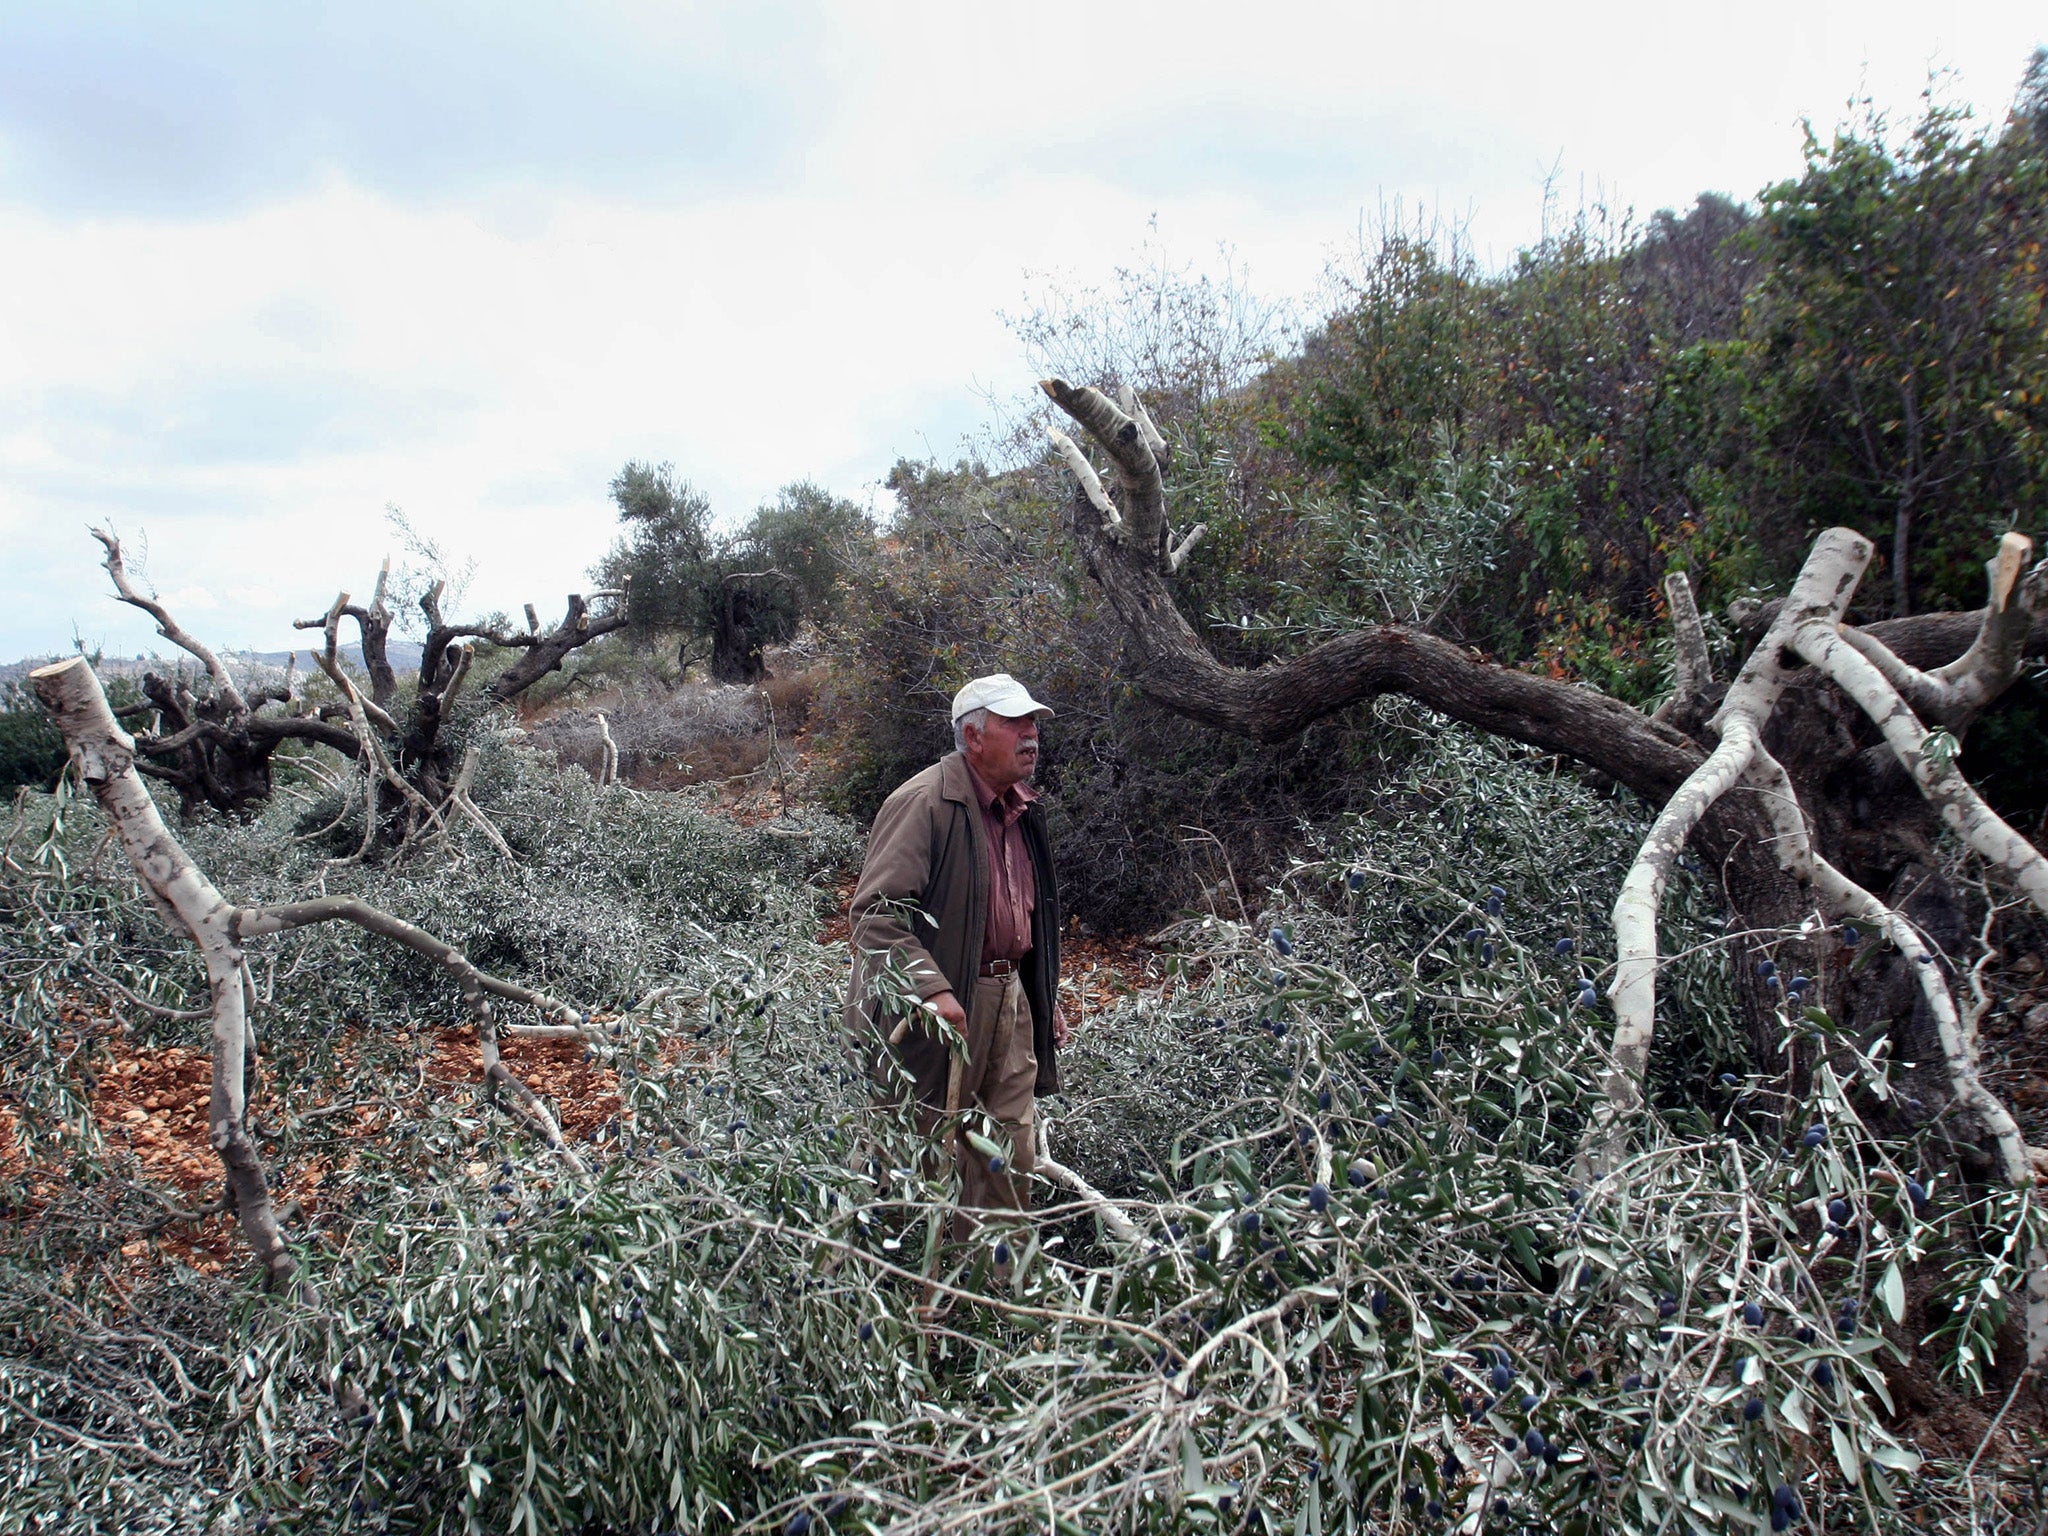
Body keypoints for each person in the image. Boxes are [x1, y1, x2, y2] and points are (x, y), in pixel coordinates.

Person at [842, 674, 1067, 1220]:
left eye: (1032, 722)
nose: (1031, 735)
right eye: (1016, 723)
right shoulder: (923, 804)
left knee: (1009, 1149)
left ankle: (997, 1286)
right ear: (973, 738)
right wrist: (932, 990)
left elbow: (1024, 917)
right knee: (921, 1153)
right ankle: (902, 1283)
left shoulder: (1022, 808)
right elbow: (874, 916)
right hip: (936, 1014)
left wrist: (1042, 995)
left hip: (1007, 1002)